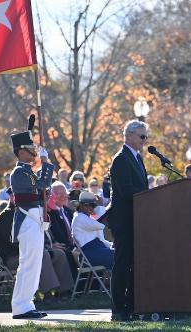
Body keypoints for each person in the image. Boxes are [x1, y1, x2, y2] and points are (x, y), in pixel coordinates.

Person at [9, 129, 54, 319]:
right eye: (30, 149)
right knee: (28, 264)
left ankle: (27, 304)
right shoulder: (19, 172)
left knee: (34, 265)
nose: (34, 153)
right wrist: (46, 164)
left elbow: (42, 190)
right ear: (20, 152)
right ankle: (20, 306)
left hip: (34, 219)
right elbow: (42, 185)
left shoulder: (27, 171)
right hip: (27, 219)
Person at [108, 119, 149, 322]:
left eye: (146, 136)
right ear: (129, 135)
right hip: (124, 220)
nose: (145, 140)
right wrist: (148, 196)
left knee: (135, 264)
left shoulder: (137, 158)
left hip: (137, 218)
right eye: (142, 136)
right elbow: (126, 191)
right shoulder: (121, 159)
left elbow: (141, 188)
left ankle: (132, 305)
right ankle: (118, 309)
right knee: (123, 263)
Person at [72, 191, 114, 268]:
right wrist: (100, 206)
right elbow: (101, 225)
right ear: (80, 205)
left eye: (93, 205)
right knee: (118, 256)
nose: (90, 208)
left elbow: (102, 241)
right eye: (86, 205)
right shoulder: (79, 217)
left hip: (96, 250)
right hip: (88, 255)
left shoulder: (89, 219)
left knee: (120, 253)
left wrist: (112, 245)